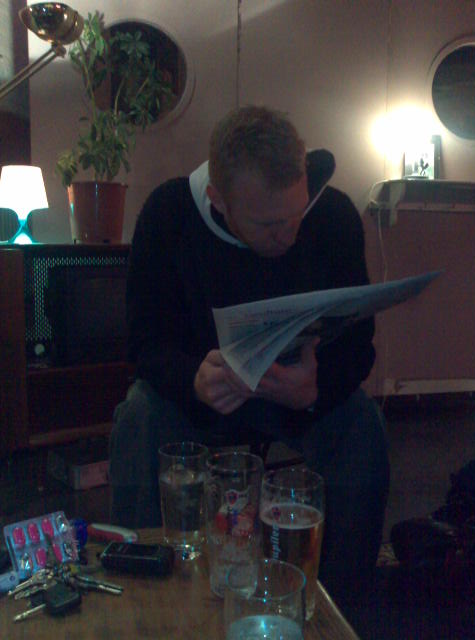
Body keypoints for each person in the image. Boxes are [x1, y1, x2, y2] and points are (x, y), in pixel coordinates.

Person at [109, 105, 390, 609]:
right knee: (139, 417)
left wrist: (317, 388)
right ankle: (145, 598)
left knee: (362, 427)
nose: (289, 234)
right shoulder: (169, 214)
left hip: (297, 399)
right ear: (218, 200)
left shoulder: (332, 215)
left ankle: (340, 610)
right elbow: (144, 341)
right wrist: (192, 378)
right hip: (201, 400)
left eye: (296, 214)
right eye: (268, 224)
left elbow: (358, 343)